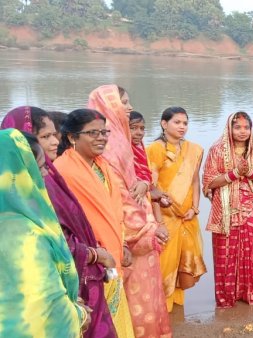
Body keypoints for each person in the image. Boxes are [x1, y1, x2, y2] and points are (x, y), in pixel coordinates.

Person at [3, 108, 118, 337]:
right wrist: (78, 312)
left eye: (55, 134)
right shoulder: (26, 230)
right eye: (45, 137)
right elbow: (45, 301)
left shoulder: (29, 198)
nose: (55, 142)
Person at [87, 84, 172, 337]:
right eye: (124, 102)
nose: (130, 107)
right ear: (110, 106)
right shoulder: (108, 149)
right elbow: (120, 198)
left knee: (147, 299)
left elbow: (137, 185)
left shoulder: (121, 143)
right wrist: (148, 230)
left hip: (141, 233)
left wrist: (146, 187)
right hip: (129, 239)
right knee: (135, 304)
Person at [55, 109, 136, 338]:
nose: (101, 137)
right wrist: (94, 254)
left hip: (111, 255)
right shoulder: (63, 171)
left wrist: (123, 245)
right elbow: (66, 222)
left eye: (104, 132)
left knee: (116, 318)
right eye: (93, 133)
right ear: (72, 137)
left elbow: (113, 212)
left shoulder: (103, 166)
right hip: (88, 260)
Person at [0, 128, 88, 338]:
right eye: (39, 167)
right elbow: (46, 306)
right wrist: (79, 314)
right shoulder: (24, 232)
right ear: (18, 174)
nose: (46, 174)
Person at [202, 112, 253, 308]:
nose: (242, 132)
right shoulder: (216, 150)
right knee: (225, 255)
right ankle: (225, 298)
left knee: (251, 254)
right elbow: (208, 183)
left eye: (246, 128)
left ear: (251, 129)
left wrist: (249, 172)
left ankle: (248, 292)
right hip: (225, 212)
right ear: (229, 129)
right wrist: (233, 174)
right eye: (238, 127)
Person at [146, 107, 207, 312]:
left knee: (182, 263)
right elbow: (151, 188)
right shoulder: (154, 149)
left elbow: (194, 181)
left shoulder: (194, 149)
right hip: (165, 216)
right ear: (164, 124)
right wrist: (158, 222)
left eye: (185, 123)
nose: (182, 127)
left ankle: (176, 305)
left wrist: (195, 208)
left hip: (187, 215)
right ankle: (160, 308)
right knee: (164, 264)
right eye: (177, 122)